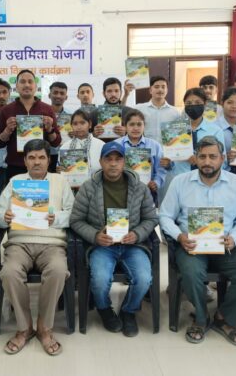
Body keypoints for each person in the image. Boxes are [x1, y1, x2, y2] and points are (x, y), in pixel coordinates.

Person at [159, 136, 236, 346]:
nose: (207, 161)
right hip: (191, 246)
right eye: (202, 156)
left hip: (226, 246)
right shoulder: (180, 182)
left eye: (212, 157)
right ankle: (201, 317)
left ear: (222, 158)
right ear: (195, 158)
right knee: (191, 272)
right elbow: (165, 216)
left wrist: (234, 239)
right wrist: (180, 236)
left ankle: (223, 317)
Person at [70, 142, 157, 337]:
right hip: (102, 246)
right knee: (100, 280)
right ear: (100, 162)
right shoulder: (88, 188)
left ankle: (129, 311)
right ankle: (104, 309)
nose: (113, 164)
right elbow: (76, 220)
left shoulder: (140, 188)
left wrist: (137, 234)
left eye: (118, 159)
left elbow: (151, 218)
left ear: (125, 162)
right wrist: (95, 236)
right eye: (108, 159)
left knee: (144, 278)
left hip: (132, 245)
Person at [0, 139, 74, 356]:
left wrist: (55, 218)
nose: (37, 162)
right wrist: (5, 217)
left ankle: (44, 327)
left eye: (41, 157)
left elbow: (72, 213)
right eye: (31, 158)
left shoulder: (60, 181)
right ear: (25, 161)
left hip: (52, 243)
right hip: (19, 242)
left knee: (58, 270)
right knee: (9, 273)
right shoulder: (15, 181)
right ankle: (24, 328)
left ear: (49, 160)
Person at [157, 88, 225, 205]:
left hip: (207, 183)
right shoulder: (173, 130)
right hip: (180, 182)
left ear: (205, 104)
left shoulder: (215, 131)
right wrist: (168, 164)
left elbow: (223, 162)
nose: (193, 106)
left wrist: (200, 161)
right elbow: (171, 163)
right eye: (189, 103)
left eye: (197, 103)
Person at [0, 69, 61, 181]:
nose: (27, 85)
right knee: (15, 193)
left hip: (41, 167)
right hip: (15, 168)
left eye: (30, 81)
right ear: (16, 86)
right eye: (22, 81)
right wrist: (7, 130)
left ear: (35, 86)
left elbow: (56, 142)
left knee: (41, 193)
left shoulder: (47, 109)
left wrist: (50, 129)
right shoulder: (6, 110)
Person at [113, 109, 166, 204]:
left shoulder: (155, 146)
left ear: (144, 126)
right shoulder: (116, 145)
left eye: (139, 124)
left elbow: (161, 169)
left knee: (148, 214)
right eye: (132, 124)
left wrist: (156, 183)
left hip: (148, 192)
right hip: (121, 193)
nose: (135, 128)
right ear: (125, 126)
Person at [58, 109, 105, 178]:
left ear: (90, 124)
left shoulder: (101, 145)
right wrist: (60, 170)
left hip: (96, 183)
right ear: (71, 126)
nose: (79, 127)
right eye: (75, 124)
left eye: (82, 123)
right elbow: (60, 172)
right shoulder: (64, 147)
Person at [133, 75, 180, 143]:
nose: (160, 89)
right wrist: (126, 94)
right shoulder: (139, 108)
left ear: (167, 90)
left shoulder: (175, 112)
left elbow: (179, 134)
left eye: (163, 87)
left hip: (166, 149)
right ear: (150, 90)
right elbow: (122, 112)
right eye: (156, 87)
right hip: (146, 148)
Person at [93, 77, 132, 141]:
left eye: (116, 91)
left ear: (121, 92)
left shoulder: (130, 112)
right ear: (104, 93)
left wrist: (127, 132)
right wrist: (94, 134)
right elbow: (86, 137)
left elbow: (139, 135)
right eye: (109, 91)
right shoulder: (94, 114)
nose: (113, 94)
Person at [48, 81, 71, 172]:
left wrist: (75, 133)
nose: (58, 96)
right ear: (49, 95)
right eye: (55, 92)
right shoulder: (42, 114)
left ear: (66, 97)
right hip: (47, 155)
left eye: (62, 93)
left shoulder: (72, 115)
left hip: (66, 154)